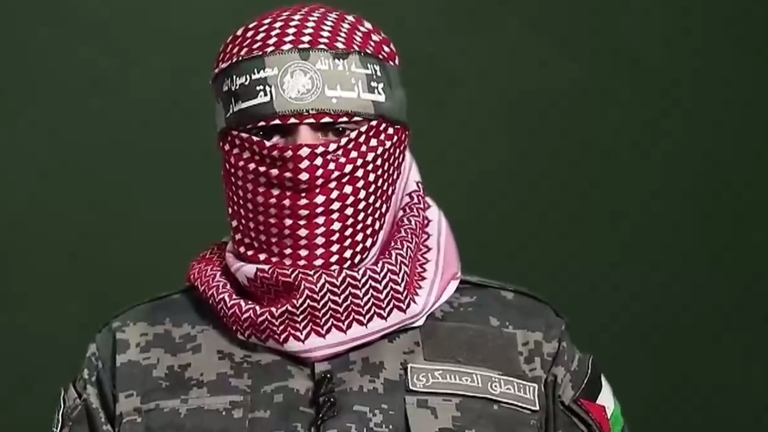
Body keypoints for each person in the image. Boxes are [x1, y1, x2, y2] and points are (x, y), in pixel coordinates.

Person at [51, 4, 628, 432]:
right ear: (231, 151)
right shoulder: (129, 359)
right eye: (274, 133)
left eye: (336, 130)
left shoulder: (526, 347)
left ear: (391, 142)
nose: (303, 156)